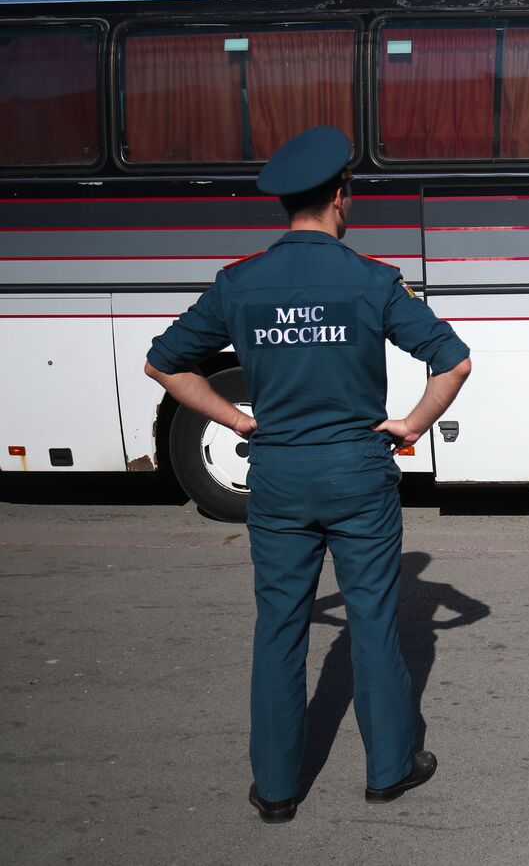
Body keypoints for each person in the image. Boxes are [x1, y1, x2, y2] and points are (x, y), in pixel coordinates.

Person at [144, 126, 473, 824]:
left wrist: (234, 420)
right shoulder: (372, 279)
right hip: (357, 472)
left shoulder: (240, 282)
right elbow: (454, 361)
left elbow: (164, 363)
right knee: (376, 623)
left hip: (280, 476)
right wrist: (411, 424)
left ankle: (277, 786)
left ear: (284, 203)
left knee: (280, 626)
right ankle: (389, 769)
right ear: (339, 197)